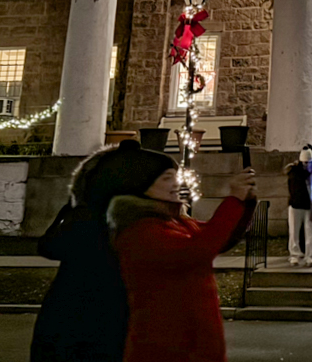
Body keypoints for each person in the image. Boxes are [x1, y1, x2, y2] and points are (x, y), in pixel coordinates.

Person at [32, 140, 178, 362]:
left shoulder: (85, 216)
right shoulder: (131, 224)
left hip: (68, 319)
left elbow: (49, 246)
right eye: (166, 178)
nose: (175, 185)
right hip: (103, 323)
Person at [108, 155, 256, 362]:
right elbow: (198, 250)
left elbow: (218, 238)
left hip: (197, 344)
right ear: (142, 186)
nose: (176, 183)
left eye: (175, 176)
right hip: (165, 347)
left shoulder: (176, 222)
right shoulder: (140, 231)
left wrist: (245, 203)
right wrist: (234, 200)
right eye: (167, 178)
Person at [285, 144, 312, 267]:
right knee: (296, 233)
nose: (307, 165)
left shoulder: (297, 172)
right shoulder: (306, 173)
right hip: (299, 204)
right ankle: (298, 255)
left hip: (302, 205)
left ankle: (306, 256)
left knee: (305, 233)